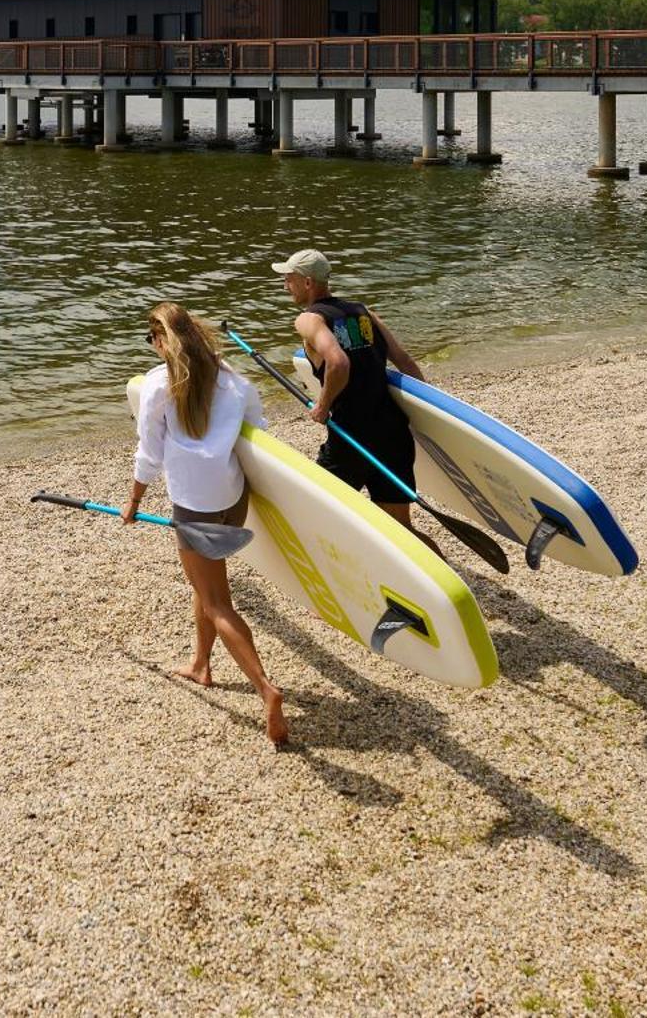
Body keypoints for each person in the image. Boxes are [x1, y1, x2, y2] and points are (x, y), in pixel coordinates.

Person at [127, 301, 287, 745]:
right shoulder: (237, 381)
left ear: (162, 341)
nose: (152, 348)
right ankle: (201, 664)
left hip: (194, 505)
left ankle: (265, 688)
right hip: (233, 499)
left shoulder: (159, 384)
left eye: (150, 339)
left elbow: (149, 454)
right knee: (208, 588)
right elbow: (259, 438)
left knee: (217, 602)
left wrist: (133, 501)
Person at [272, 249, 436, 550]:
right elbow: (405, 362)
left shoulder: (309, 320)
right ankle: (443, 588)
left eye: (289, 279)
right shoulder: (364, 312)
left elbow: (338, 362)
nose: (285, 286)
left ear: (308, 283)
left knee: (316, 510)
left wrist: (322, 407)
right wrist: (428, 417)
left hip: (351, 436)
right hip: (392, 430)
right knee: (400, 527)